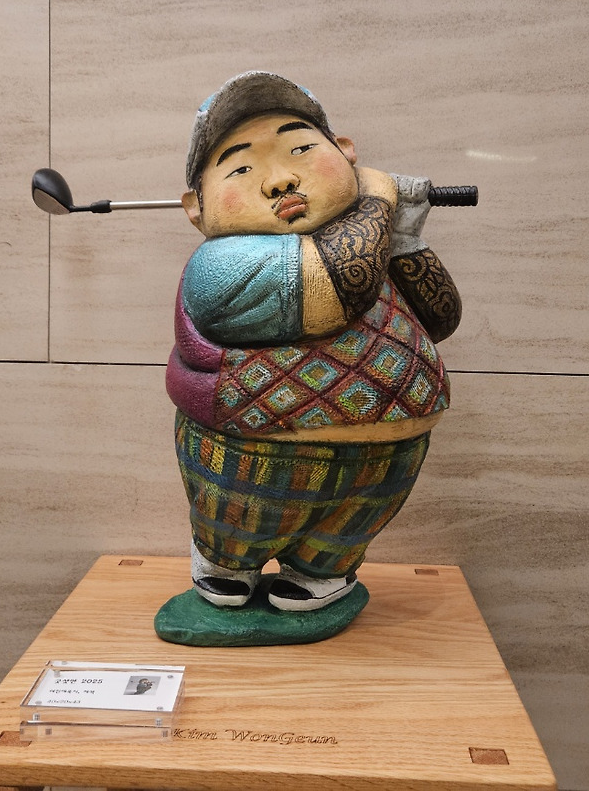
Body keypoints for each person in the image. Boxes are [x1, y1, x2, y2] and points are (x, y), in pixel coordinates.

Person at [165, 71, 461, 612]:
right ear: (195, 206)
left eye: (300, 149)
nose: (280, 180)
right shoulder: (220, 265)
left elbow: (440, 317)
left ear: (344, 151)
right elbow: (343, 284)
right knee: (238, 537)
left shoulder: (371, 238)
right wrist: (377, 194)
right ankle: (224, 564)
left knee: (334, 547)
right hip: (253, 454)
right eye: (241, 168)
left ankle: (322, 573)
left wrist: (406, 239)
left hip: (386, 462)